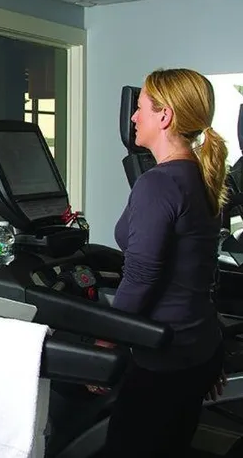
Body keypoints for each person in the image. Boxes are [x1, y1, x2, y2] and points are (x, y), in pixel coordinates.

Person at [103, 68, 227, 457]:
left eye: (140, 108)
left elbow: (141, 276)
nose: (134, 117)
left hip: (165, 355)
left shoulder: (158, 183)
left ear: (164, 116)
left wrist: (105, 337)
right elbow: (198, 274)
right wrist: (209, 353)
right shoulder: (201, 176)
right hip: (199, 345)